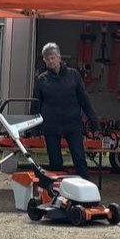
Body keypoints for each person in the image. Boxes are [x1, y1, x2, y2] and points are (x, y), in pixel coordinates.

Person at [31, 42, 98, 180]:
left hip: (72, 124)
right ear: (44, 60)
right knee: (55, 162)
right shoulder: (41, 80)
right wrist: (35, 129)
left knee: (79, 159)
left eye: (53, 57)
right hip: (51, 126)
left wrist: (94, 120)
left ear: (59, 57)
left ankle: (87, 189)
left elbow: (84, 99)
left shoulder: (74, 75)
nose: (51, 61)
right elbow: (36, 105)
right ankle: (57, 192)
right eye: (47, 58)